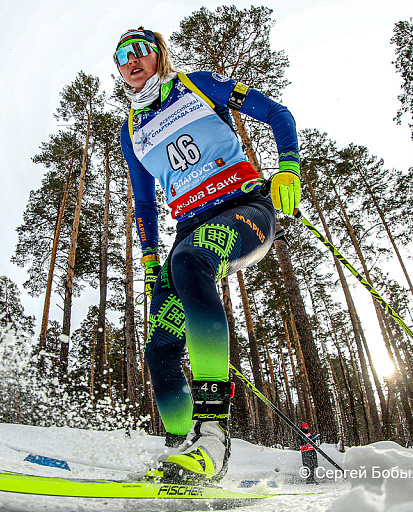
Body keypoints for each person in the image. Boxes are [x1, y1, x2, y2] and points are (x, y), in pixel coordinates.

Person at [115, 27, 301, 482]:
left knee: (191, 261)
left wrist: (288, 166)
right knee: (159, 346)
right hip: (187, 231)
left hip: (244, 208)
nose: (132, 59)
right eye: (122, 54)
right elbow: (143, 202)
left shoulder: (197, 85)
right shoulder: (130, 130)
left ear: (159, 55)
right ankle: (181, 455)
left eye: (141, 50)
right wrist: (148, 257)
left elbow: (277, 113)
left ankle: (213, 434)